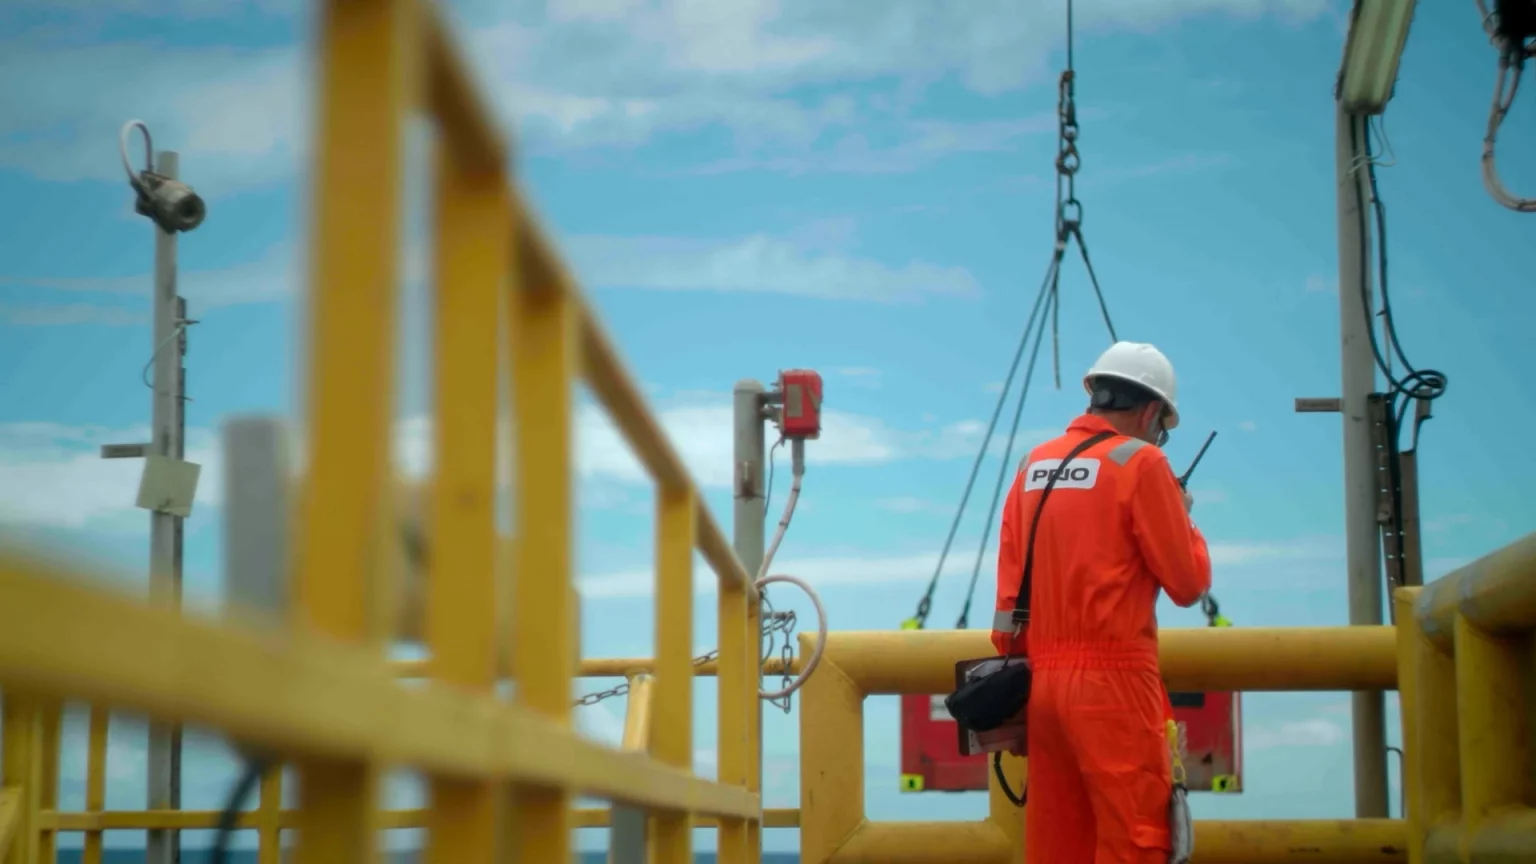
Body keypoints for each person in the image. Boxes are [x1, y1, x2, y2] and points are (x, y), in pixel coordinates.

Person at [989, 340, 1212, 864]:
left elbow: (1008, 595)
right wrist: (1184, 516)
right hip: (1113, 687)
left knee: (1057, 841)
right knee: (1135, 838)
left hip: (1039, 685)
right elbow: (1187, 583)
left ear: (1095, 395)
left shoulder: (1032, 465)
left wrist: (1023, 687)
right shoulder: (1142, 462)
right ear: (1153, 411)